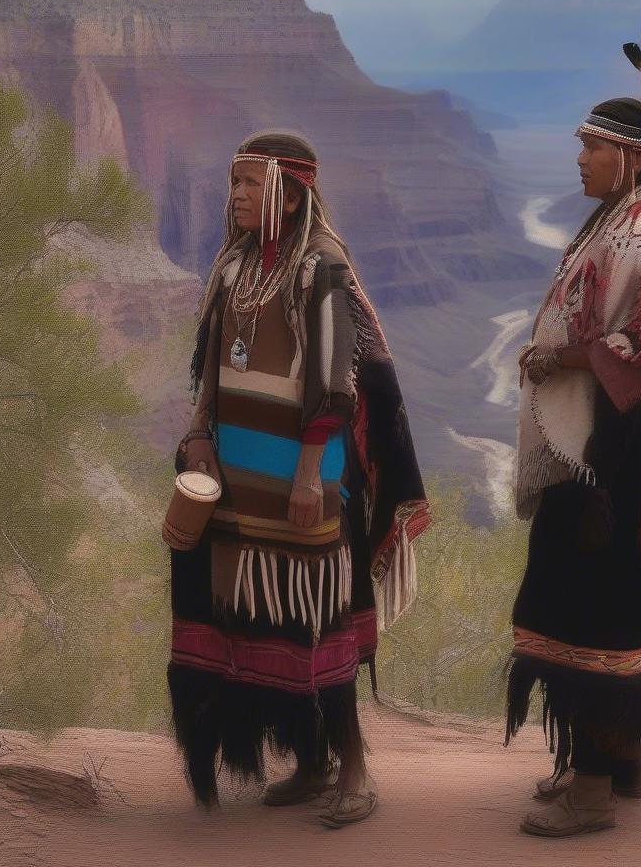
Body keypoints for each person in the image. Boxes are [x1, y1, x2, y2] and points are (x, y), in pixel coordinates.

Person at [167, 131, 430, 828]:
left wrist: (312, 471)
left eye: (251, 184)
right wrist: (198, 433)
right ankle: (309, 762)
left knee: (319, 622)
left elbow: (337, 384)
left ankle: (355, 769)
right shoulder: (234, 267)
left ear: (290, 187)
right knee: (260, 620)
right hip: (238, 486)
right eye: (235, 184)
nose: (237, 196)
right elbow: (211, 371)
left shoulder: (322, 269)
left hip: (304, 486)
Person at [505, 28, 641, 838]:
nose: (580, 160)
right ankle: (623, 762)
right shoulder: (623, 221)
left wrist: (565, 356)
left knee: (595, 617)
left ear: (629, 156)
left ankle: (594, 788)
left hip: (614, 468)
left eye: (590, 147)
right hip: (608, 459)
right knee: (625, 610)